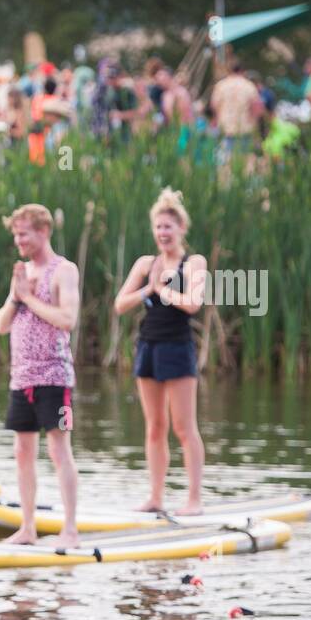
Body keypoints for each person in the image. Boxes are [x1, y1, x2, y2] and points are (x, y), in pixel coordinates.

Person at [113, 189, 208, 514]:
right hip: (148, 347)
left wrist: (164, 289)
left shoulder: (193, 263)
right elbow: (120, 305)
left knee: (184, 427)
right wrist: (146, 289)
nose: (162, 233)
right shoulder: (146, 263)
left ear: (181, 228)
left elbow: (193, 304)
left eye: (168, 227)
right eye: (158, 227)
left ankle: (194, 499)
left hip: (178, 349)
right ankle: (155, 497)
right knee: (155, 427)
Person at [0, 204, 81, 547]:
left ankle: (70, 528)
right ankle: (28, 527)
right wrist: (17, 297)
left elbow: (68, 319)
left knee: (59, 450)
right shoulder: (22, 273)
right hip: (21, 378)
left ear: (43, 232)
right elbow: (1, 325)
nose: (18, 240)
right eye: (15, 234)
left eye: (23, 234)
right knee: (22, 451)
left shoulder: (64, 270)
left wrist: (29, 297)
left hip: (54, 377)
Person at [210, 61, 264, 172]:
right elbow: (257, 109)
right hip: (245, 131)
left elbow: (214, 105)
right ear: (242, 71)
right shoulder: (249, 86)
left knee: (225, 167)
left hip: (226, 131)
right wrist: (254, 124)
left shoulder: (221, 86)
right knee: (246, 167)